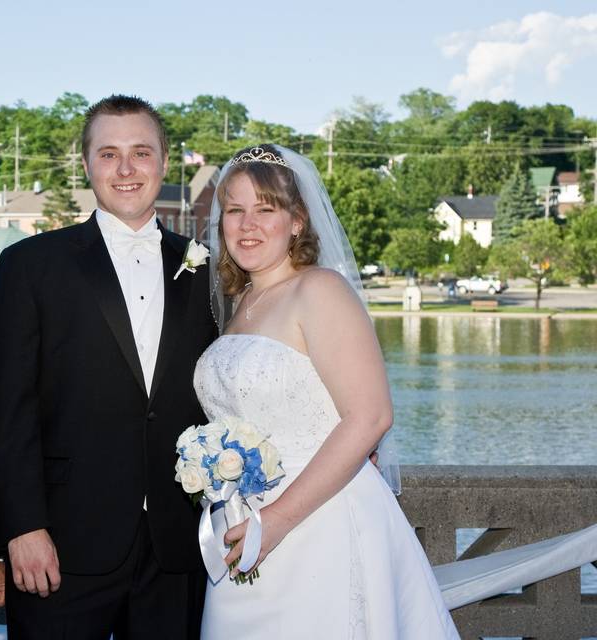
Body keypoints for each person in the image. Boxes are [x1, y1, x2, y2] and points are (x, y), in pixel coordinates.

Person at [195, 144, 458, 638]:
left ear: (296, 221)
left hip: (319, 521)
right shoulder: (242, 303)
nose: (247, 224)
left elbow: (371, 416)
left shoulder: (320, 290)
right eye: (235, 210)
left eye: (265, 209)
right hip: (242, 525)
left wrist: (274, 519)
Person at [0, 95, 217, 639]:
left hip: (178, 547)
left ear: (164, 161)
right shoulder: (30, 265)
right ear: (86, 164)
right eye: (108, 154)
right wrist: (20, 529)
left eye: (141, 152)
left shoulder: (209, 271)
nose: (126, 169)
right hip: (61, 547)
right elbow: (8, 411)